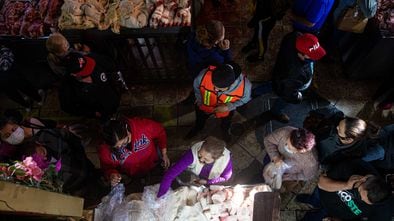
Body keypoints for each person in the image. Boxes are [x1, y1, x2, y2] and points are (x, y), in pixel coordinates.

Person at [0, 109, 96, 195]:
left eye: (13, 129)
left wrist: (64, 132)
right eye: (7, 135)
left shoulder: (34, 124)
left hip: (77, 160)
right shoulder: (19, 154)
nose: (13, 134)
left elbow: (54, 126)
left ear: (17, 123)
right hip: (73, 177)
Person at [298, 160, 393, 221]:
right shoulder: (353, 166)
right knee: (314, 199)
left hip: (331, 214)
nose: (360, 200)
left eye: (365, 201)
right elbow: (321, 183)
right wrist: (346, 185)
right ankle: (312, 201)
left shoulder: (382, 208)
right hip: (323, 194)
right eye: (359, 195)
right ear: (364, 179)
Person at [264, 32, 326, 123]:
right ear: (300, 54)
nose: (315, 58)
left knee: (273, 84)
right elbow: (288, 94)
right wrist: (297, 98)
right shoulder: (296, 74)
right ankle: (275, 112)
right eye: (311, 56)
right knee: (282, 99)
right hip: (288, 87)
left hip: (279, 75)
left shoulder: (293, 36)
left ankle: (253, 92)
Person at [185, 62, 252, 140]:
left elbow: (245, 100)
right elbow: (196, 88)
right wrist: (199, 100)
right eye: (214, 86)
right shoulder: (203, 76)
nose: (216, 90)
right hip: (204, 106)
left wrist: (229, 107)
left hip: (226, 111)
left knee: (226, 123)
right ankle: (197, 128)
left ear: (231, 84)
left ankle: (225, 131)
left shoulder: (245, 87)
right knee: (200, 120)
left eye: (219, 89)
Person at [98, 117, 170, 187]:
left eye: (124, 142)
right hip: (129, 174)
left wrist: (164, 153)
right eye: (116, 147)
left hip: (152, 164)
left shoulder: (143, 126)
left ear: (127, 130)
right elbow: (107, 167)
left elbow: (160, 132)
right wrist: (112, 174)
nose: (121, 147)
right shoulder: (104, 149)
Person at [157, 136, 232, 197]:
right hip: (192, 174)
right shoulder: (191, 154)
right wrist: (161, 196)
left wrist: (208, 181)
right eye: (200, 155)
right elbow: (170, 175)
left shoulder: (225, 161)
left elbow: (225, 177)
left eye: (206, 159)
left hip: (209, 179)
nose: (201, 160)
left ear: (216, 159)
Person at [58, 52, 121, 121]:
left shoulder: (92, 58)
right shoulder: (66, 87)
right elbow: (67, 107)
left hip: (114, 98)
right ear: (73, 74)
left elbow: (111, 65)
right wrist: (92, 113)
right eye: (85, 70)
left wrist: (114, 81)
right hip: (100, 112)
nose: (92, 68)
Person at [316, 116, 385, 167]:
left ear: (348, 139)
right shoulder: (360, 137)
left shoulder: (344, 152)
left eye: (339, 130)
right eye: (339, 124)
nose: (336, 127)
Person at [0, 46, 44, 112]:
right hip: (3, 77)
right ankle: (26, 104)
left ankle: (37, 98)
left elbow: (6, 55)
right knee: (11, 93)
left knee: (23, 85)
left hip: (10, 70)